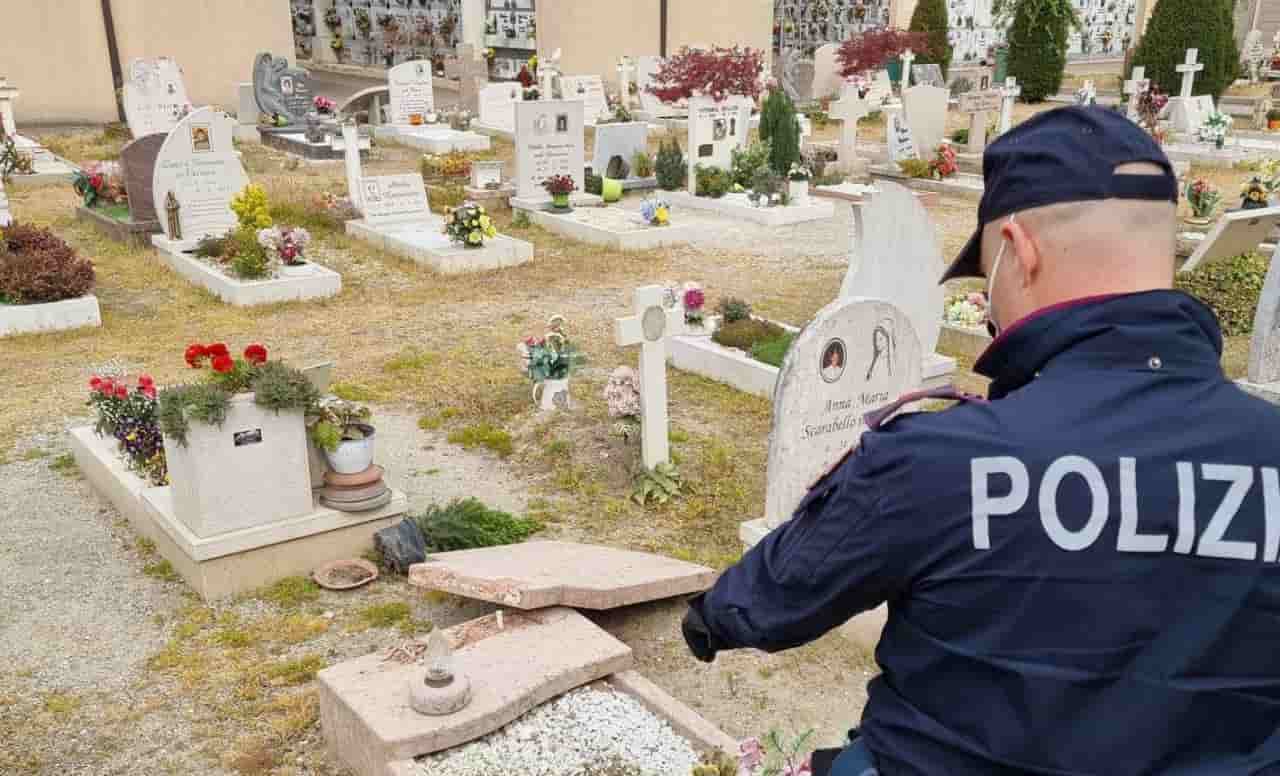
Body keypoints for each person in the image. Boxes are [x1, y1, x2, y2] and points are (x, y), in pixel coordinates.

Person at [681, 106, 1280, 775]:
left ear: (1021, 253)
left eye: (986, 274)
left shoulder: (937, 461)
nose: (991, 308)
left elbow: (768, 604)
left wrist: (708, 618)